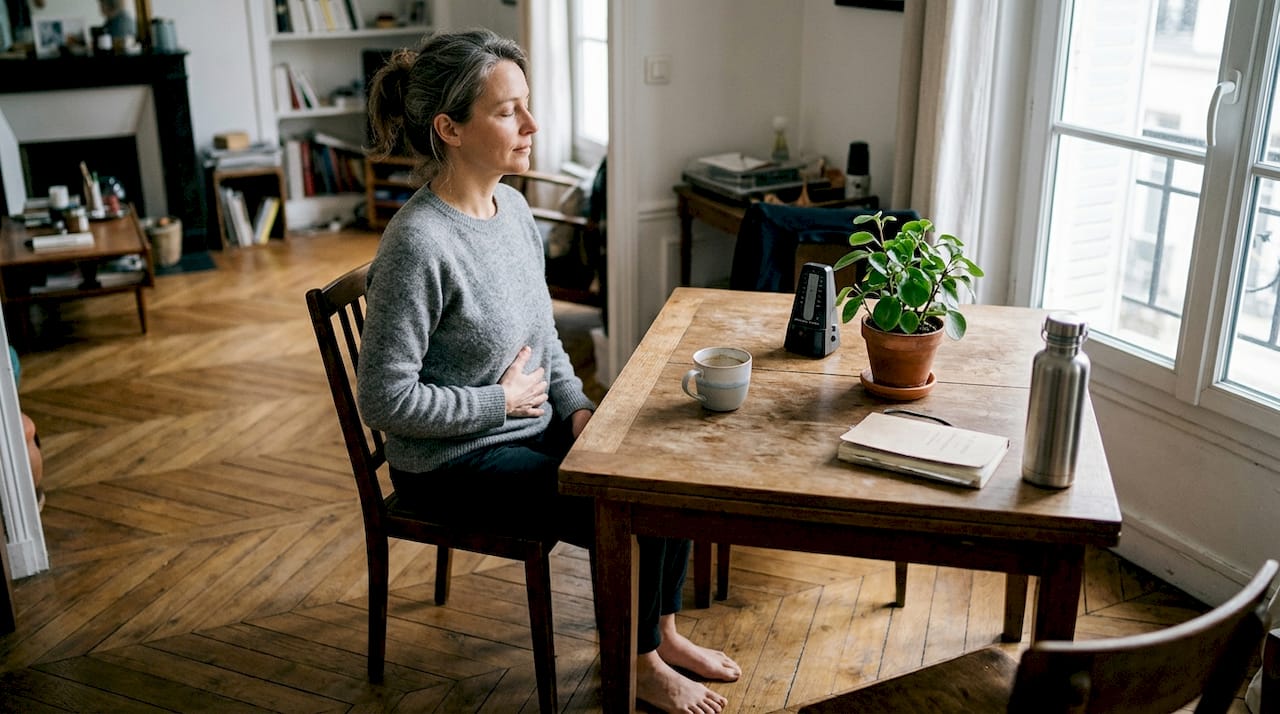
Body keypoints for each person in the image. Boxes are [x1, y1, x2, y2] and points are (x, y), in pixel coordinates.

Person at [358, 28, 741, 713]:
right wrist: (495, 404)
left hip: (527, 426)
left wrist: (578, 412)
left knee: (661, 461)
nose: (532, 125)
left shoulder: (513, 211)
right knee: (615, 500)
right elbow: (383, 399)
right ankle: (640, 662)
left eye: (527, 105)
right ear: (449, 128)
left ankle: (663, 632)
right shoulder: (416, 245)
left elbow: (546, 344)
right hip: (449, 464)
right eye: (508, 111)